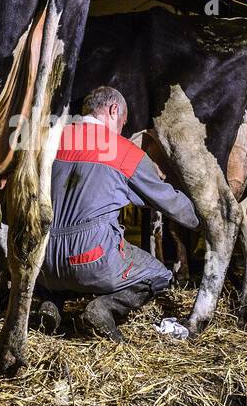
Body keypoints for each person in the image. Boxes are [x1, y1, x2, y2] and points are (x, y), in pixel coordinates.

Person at [38, 86, 200, 341]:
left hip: (43, 261)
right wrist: (202, 218)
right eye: (122, 123)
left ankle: (50, 302)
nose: (123, 131)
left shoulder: (49, 139)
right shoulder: (123, 151)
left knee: (59, 263)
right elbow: (170, 204)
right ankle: (103, 309)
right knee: (158, 275)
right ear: (114, 110)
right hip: (91, 257)